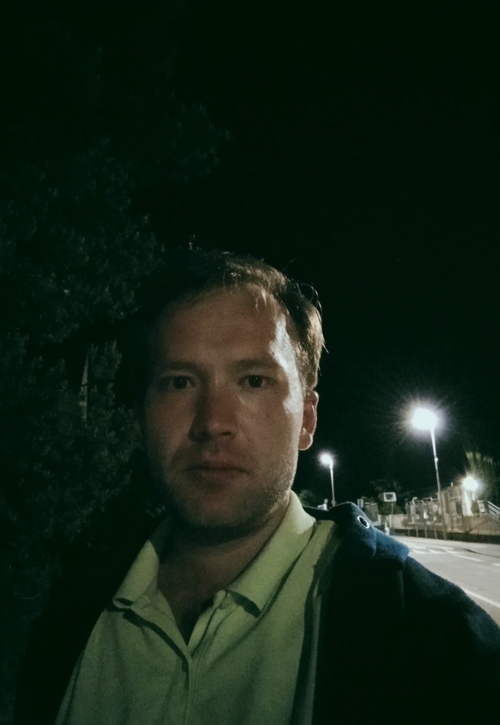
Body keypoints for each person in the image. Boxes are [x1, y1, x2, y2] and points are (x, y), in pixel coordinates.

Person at [15, 247, 500, 725]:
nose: (213, 423)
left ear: (307, 419)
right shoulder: (69, 605)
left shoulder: (434, 644)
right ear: (143, 414)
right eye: (180, 382)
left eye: (253, 381)